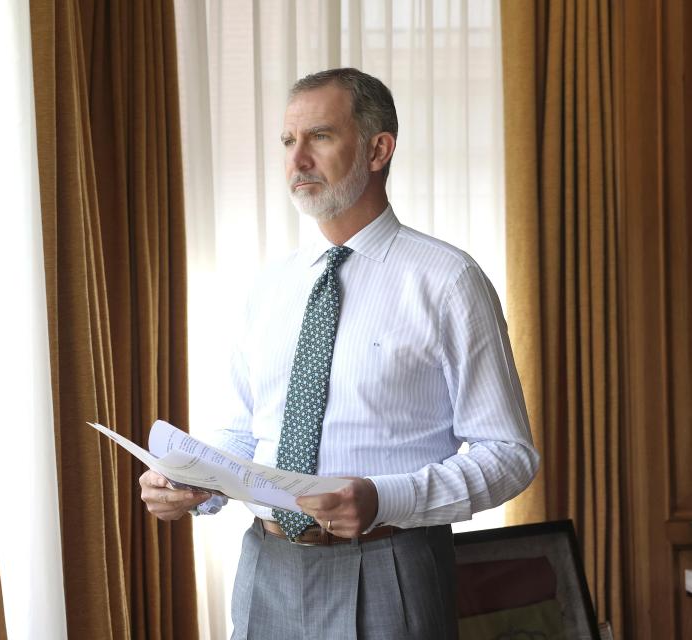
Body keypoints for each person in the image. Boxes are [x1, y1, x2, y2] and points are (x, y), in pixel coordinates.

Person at [139, 68, 539, 639]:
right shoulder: (267, 287)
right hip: (265, 568)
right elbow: (244, 434)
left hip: (390, 566)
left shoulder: (449, 281)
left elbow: (510, 454)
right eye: (287, 141)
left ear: (378, 149)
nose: (296, 161)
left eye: (319, 137)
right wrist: (190, 481)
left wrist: (385, 499)